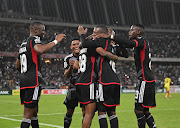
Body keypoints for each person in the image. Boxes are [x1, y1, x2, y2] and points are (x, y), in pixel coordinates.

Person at [97, 24, 157, 128]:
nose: (129, 32)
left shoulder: (141, 41)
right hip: (146, 78)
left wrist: (111, 37)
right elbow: (127, 46)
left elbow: (128, 43)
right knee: (145, 110)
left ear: (138, 32)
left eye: (132, 30)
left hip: (145, 79)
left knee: (138, 109)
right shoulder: (141, 42)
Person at [15, 22, 66, 128]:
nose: (44, 32)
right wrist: (56, 41)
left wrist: (26, 72)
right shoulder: (34, 39)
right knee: (27, 115)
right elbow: (40, 50)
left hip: (24, 81)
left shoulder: (23, 44)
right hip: (33, 81)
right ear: (34, 30)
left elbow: (17, 65)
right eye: (42, 29)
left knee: (34, 112)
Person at [76, 25, 127, 128]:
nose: (94, 34)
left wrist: (83, 35)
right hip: (111, 81)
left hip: (98, 81)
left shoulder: (95, 44)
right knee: (111, 112)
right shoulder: (113, 47)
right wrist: (113, 55)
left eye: (95, 33)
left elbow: (84, 44)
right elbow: (125, 53)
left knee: (96, 112)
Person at [63, 39, 86, 128]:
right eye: (74, 44)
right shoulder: (68, 58)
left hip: (84, 86)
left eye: (77, 44)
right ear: (71, 47)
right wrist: (70, 67)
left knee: (85, 113)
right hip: (73, 87)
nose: (76, 46)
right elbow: (66, 75)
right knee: (69, 112)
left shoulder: (85, 56)